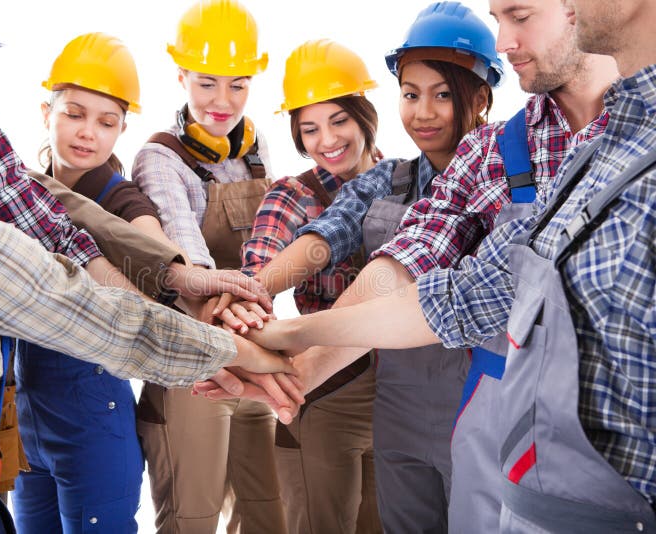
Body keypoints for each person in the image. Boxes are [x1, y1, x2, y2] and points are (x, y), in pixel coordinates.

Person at [0, 1, 295, 531]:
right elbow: (102, 319)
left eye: (107, 120)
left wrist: (175, 275)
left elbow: (51, 216)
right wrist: (242, 352)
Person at [235, 0, 656, 528]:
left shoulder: (623, 138)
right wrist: (291, 351)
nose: (503, 39)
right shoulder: (488, 153)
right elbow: (416, 276)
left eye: (519, 17)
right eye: (411, 95)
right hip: (479, 415)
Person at [237, 24, 497, 531]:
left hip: (480, 402)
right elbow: (325, 238)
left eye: (442, 95)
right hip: (397, 404)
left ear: (479, 97)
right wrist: (251, 290)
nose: (423, 112)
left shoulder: (507, 167)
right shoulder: (390, 179)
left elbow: (409, 268)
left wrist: (298, 344)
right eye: (411, 94)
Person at [131, 0, 285, 532]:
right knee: (192, 519)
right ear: (180, 76)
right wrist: (243, 325)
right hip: (189, 361)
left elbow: (270, 240)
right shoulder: (160, 158)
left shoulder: (257, 146)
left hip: (252, 347)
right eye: (206, 83)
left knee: (268, 514)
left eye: (238, 84)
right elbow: (190, 261)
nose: (223, 102)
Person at [9, 32, 160, 533]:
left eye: (107, 121)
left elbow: (152, 247)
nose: (87, 132)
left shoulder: (120, 199)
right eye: (74, 113)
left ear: (122, 130)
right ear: (45, 112)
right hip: (28, 415)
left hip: (93, 414)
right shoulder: (16, 194)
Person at [240, 39, 382, 534]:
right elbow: (258, 264)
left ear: (364, 115)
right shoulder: (294, 195)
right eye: (309, 128)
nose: (327, 140)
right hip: (325, 395)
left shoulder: (407, 181)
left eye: (338, 120)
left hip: (399, 394)